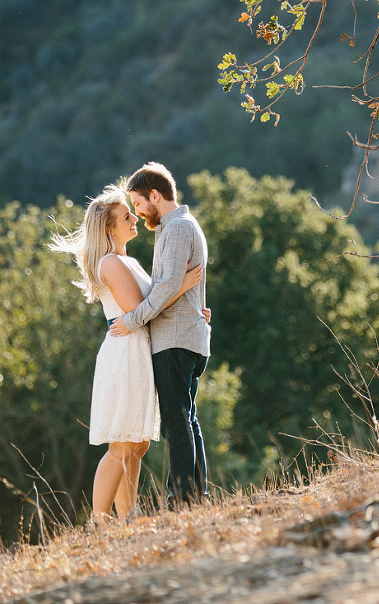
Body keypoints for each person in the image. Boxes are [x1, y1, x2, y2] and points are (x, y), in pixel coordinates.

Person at [51, 185, 203, 523]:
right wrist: (183, 287)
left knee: (137, 442)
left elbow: (153, 305)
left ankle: (128, 514)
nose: (135, 218)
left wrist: (188, 309)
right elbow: (138, 308)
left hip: (138, 348)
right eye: (126, 216)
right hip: (126, 352)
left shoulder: (127, 261)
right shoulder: (111, 263)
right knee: (122, 443)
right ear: (109, 228)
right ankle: (100, 521)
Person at [109, 162, 211, 508]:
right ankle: (195, 496)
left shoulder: (178, 228)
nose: (138, 212)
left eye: (138, 203)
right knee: (187, 419)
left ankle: (181, 498)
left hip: (176, 339)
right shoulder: (176, 226)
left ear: (155, 195)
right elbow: (173, 286)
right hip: (185, 334)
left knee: (177, 422)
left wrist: (132, 320)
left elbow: (166, 286)